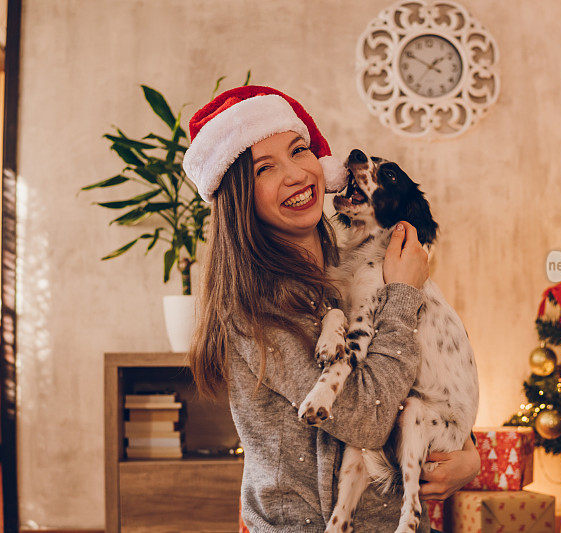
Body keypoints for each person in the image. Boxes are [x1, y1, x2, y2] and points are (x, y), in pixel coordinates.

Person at [183, 85, 480, 532]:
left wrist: (468, 454)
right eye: (266, 168)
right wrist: (402, 293)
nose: (295, 174)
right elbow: (366, 418)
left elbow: (420, 375)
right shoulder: (254, 308)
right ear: (241, 197)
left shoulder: (349, 267)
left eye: (298, 151)